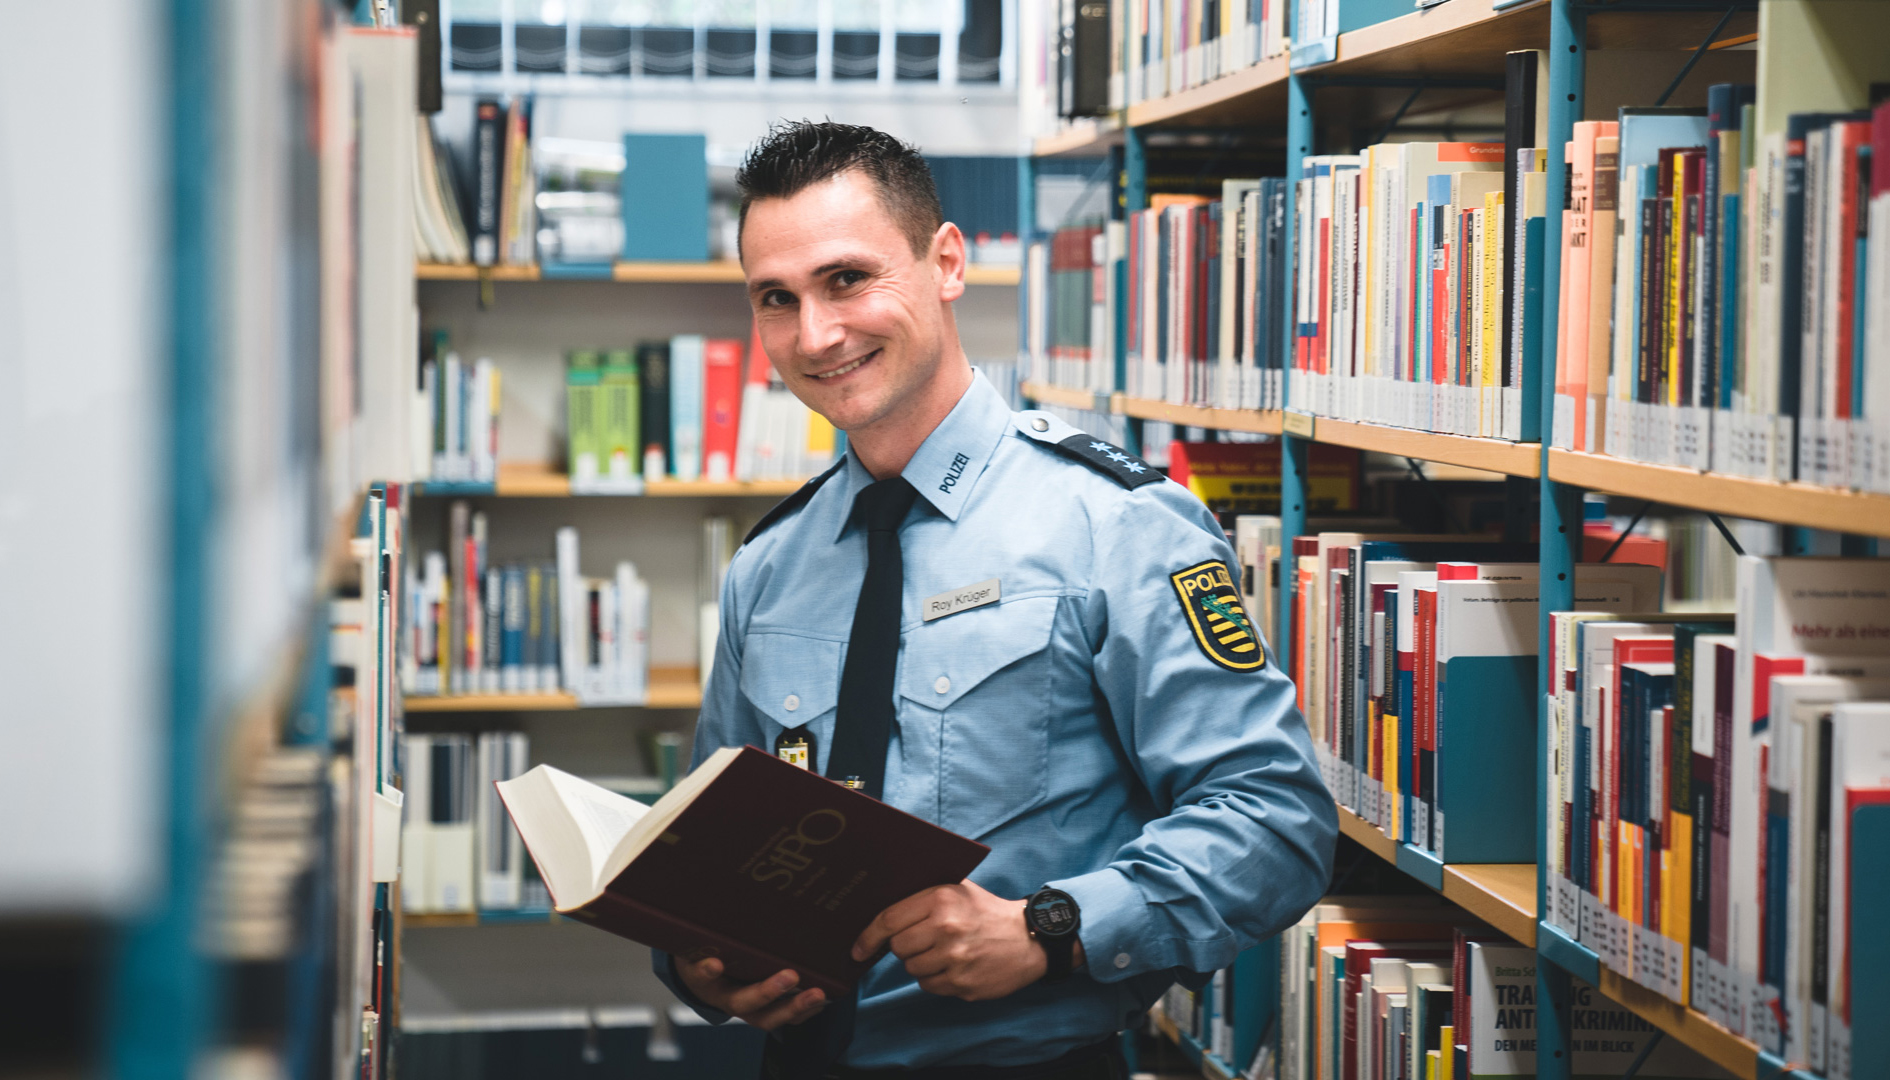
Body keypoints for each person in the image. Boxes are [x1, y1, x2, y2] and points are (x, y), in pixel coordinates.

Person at [654, 120, 1336, 1080]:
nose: (816, 335)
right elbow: (713, 849)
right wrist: (697, 965)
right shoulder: (767, 566)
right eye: (778, 298)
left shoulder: (1114, 525)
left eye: (847, 279)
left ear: (946, 263)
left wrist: (1050, 928)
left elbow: (1277, 820)